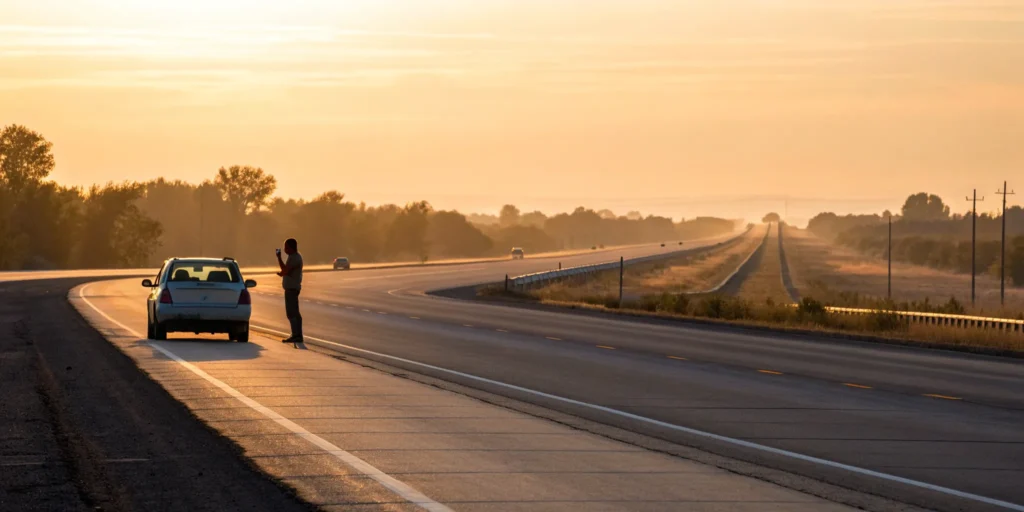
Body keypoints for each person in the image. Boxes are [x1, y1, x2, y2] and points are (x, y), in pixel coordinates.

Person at [276, 238, 304, 343]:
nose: (284, 249)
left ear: (291, 247)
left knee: (292, 313)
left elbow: (285, 270)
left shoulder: (295, 258)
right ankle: (296, 334)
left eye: (286, 247)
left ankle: (296, 335)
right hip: (291, 288)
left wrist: (279, 258)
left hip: (292, 289)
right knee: (294, 313)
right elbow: (285, 272)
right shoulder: (292, 257)